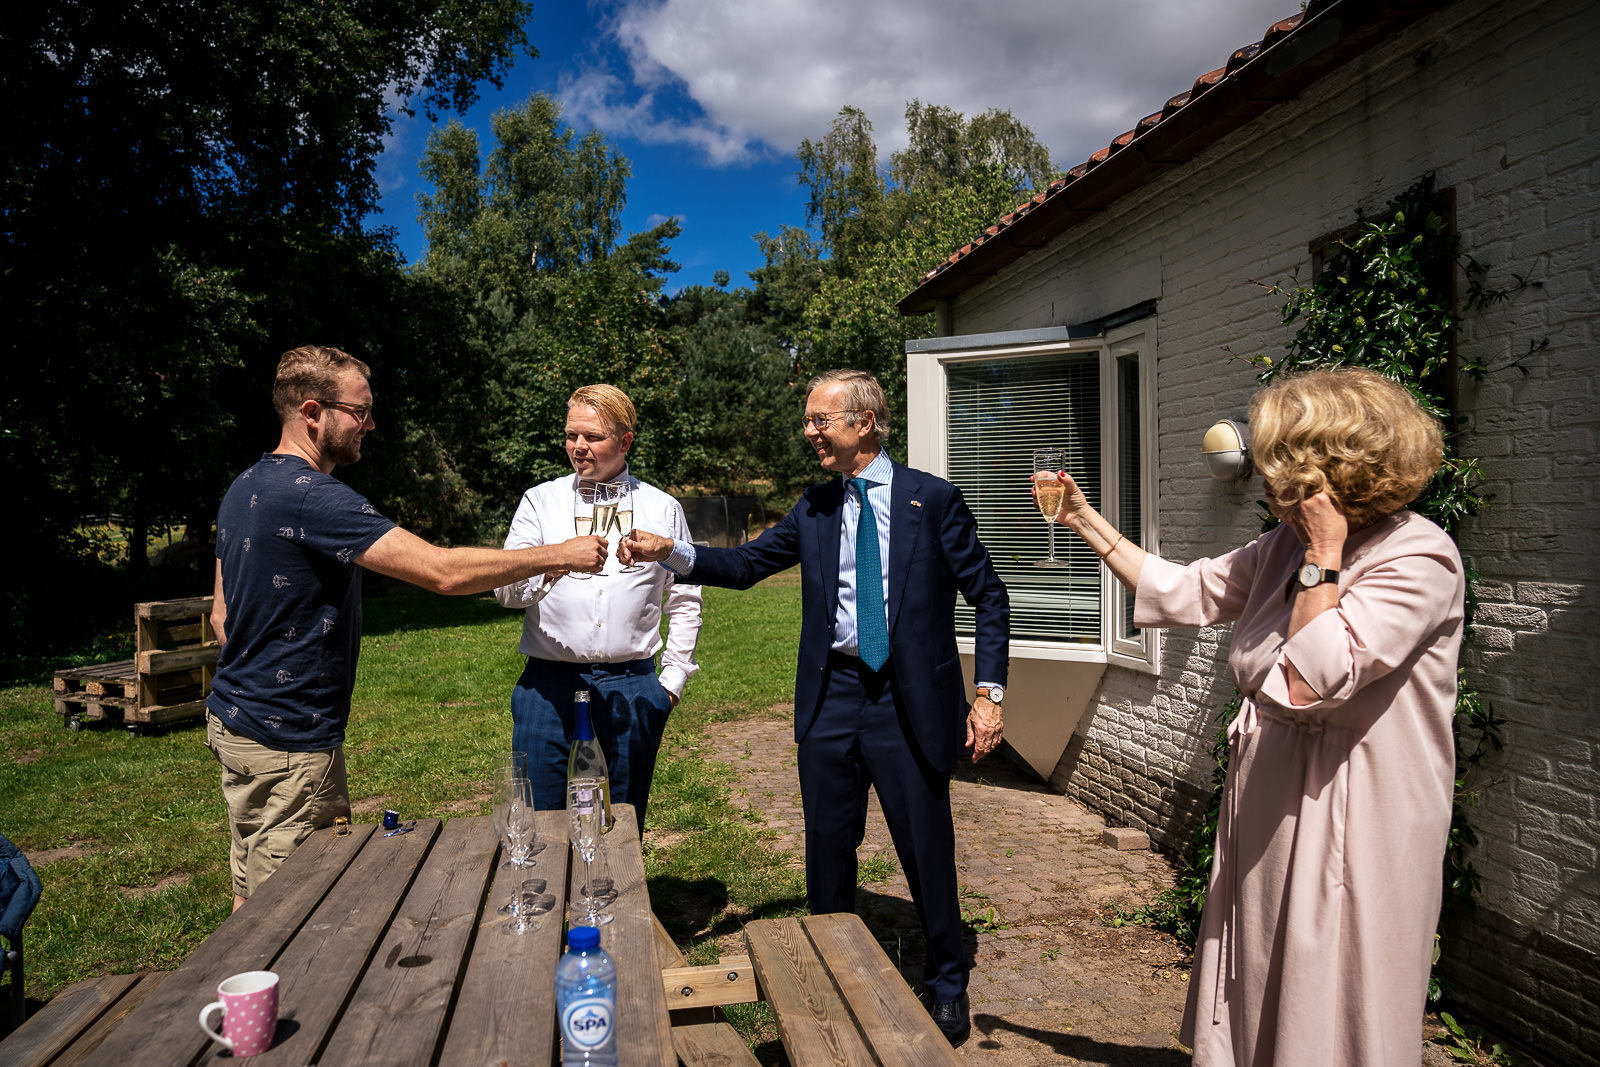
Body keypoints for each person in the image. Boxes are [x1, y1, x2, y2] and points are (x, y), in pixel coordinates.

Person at [1039, 367, 1464, 1066]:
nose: (1263, 478)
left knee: (1333, 982)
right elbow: (1181, 591)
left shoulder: (1418, 556)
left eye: (1276, 463)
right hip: (1272, 801)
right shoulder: (1280, 548)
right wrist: (1083, 518)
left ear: (1327, 468)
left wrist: (1324, 556)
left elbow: (1313, 674)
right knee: (1265, 967)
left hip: (1354, 811)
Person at [622, 369, 1008, 1047]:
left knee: (924, 846)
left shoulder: (933, 500)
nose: (809, 432)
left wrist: (988, 694)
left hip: (908, 700)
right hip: (833, 694)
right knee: (829, 848)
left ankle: (948, 979)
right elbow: (743, 565)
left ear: (863, 423)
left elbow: (992, 597)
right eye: (808, 420)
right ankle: (830, 973)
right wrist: (672, 552)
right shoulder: (815, 508)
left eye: (819, 420)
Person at [207, 345, 607, 910]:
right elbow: (442, 572)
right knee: (289, 916)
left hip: (234, 725)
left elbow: (221, 616)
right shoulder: (313, 497)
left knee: (250, 900)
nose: (370, 424)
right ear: (314, 412)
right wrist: (556, 553)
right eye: (359, 411)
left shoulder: (245, 484)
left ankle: (244, 994)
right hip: (290, 741)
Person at [493, 384, 702, 828]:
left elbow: (685, 597)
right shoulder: (541, 501)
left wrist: (671, 681)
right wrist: (555, 563)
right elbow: (505, 593)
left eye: (592, 437)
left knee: (621, 821)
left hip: (633, 683)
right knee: (540, 821)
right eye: (571, 436)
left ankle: (615, 897)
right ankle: (547, 899)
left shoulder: (661, 507)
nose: (578, 447)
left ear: (625, 442)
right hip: (546, 685)